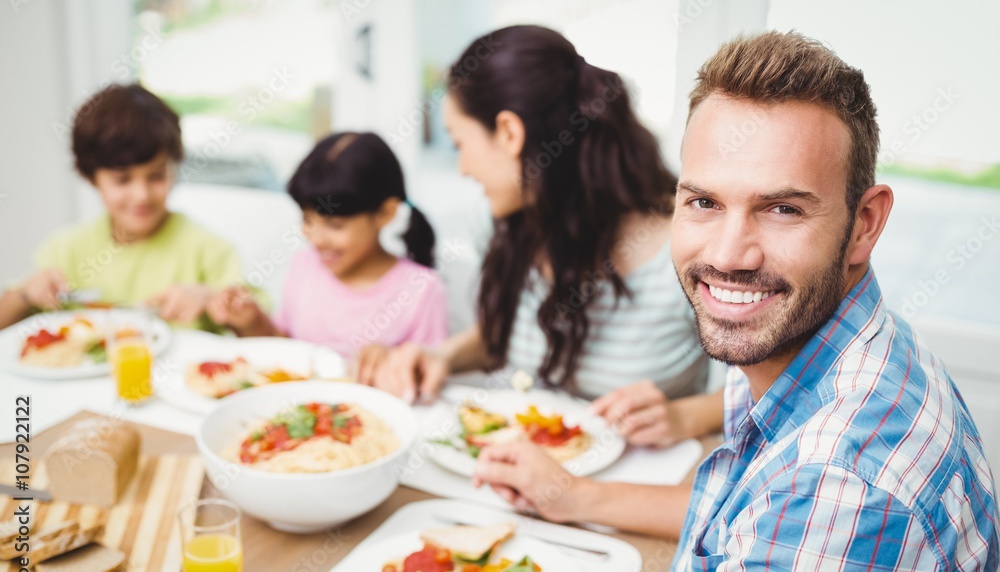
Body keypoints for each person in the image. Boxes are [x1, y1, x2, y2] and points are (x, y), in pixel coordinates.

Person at [470, 31, 1000, 572]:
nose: (729, 255)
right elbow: (731, 516)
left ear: (864, 224)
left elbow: (799, 513)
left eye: (782, 209)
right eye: (704, 202)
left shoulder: (836, 489)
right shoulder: (814, 344)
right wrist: (575, 497)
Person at [357, 25, 722, 448]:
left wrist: (683, 416)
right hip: (519, 474)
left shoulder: (687, 251)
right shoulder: (500, 221)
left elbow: (767, 393)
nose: (462, 169)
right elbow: (514, 332)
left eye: (460, 143)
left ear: (510, 133)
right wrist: (442, 356)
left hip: (630, 495)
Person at [0, 84, 248, 331]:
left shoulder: (209, 250)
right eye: (122, 180)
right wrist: (25, 295)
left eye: (156, 176)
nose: (141, 196)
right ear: (91, 177)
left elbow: (263, 333)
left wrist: (213, 298)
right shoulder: (65, 251)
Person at [207, 132, 449, 356]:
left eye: (335, 225)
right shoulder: (305, 265)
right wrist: (253, 323)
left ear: (386, 212)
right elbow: (286, 351)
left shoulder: (421, 291)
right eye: (307, 220)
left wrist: (391, 364)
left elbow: (428, 378)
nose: (317, 239)